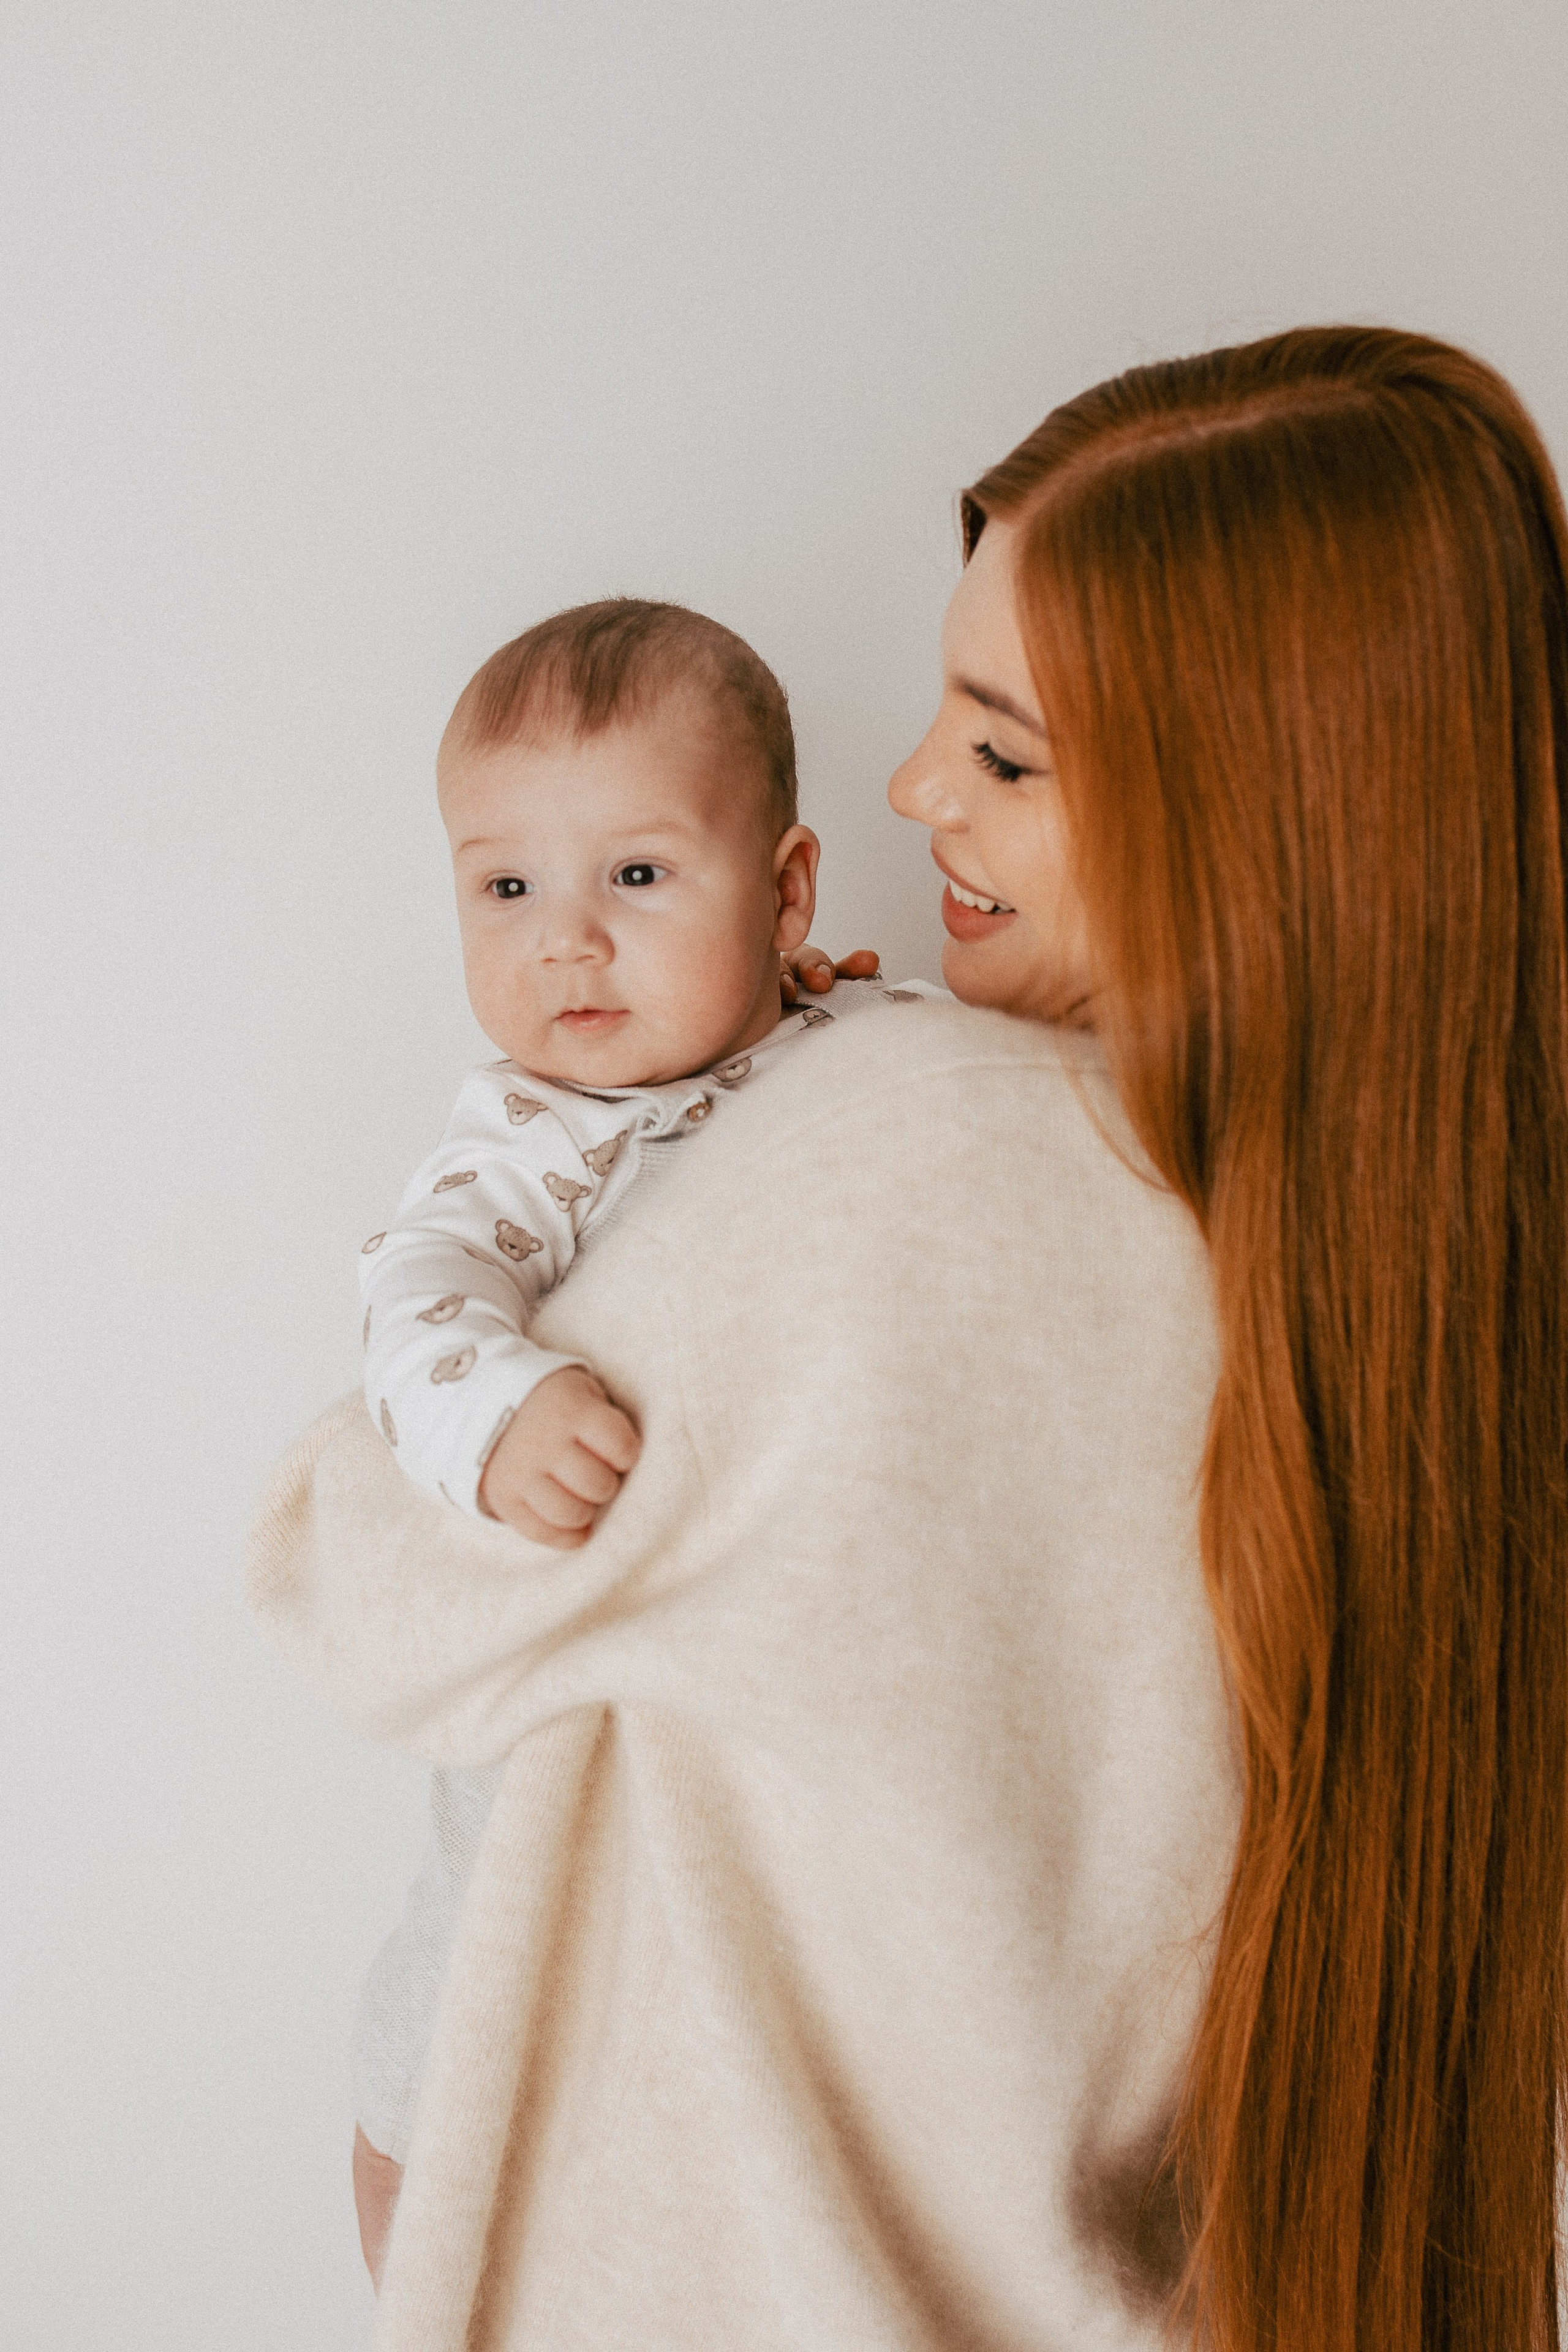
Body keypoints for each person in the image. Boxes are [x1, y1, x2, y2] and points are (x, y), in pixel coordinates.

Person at [250, 326, 1568, 2351]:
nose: (903, 790)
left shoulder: (922, 1148)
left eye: (1006, 753)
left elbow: (369, 1583)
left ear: (1267, 815)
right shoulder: (1432, 1306)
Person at [353, 595, 916, 2243]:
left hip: (774, 1745)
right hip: (545, 1750)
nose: (566, 941)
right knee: (447, 2054)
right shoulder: (528, 1139)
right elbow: (418, 1295)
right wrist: (505, 1409)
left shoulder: (877, 1042)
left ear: (789, 889)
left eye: (640, 879)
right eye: (506, 887)